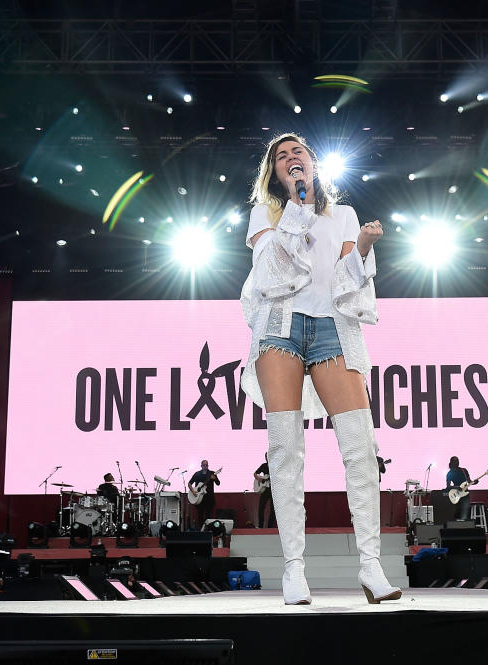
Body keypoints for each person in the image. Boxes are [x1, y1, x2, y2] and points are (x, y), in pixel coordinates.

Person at [240, 133, 400, 605]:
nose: (292, 160)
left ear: (314, 164)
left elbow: (346, 279)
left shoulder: (344, 215)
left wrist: (364, 250)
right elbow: (272, 272)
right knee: (285, 450)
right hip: (279, 328)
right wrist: (297, 205)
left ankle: (370, 566)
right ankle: (294, 570)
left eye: (299, 154)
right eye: (282, 157)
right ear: (274, 173)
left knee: (360, 448)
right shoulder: (263, 215)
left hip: (332, 326)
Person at [188, 460, 220, 529]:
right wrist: (193, 491)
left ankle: (208, 530)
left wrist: (215, 479)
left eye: (206, 465)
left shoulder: (212, 473)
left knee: (209, 516)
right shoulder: (197, 474)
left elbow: (218, 483)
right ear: (201, 466)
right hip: (199, 499)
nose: (205, 466)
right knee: (200, 516)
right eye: (204, 465)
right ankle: (201, 531)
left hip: (209, 498)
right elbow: (189, 483)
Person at [445, 456, 477, 521]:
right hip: (456, 494)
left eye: (458, 460)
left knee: (464, 515)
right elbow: (448, 486)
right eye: (455, 461)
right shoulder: (449, 473)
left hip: (465, 494)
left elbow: (469, 481)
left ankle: (464, 527)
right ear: (451, 462)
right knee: (456, 513)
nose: (457, 462)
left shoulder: (464, 470)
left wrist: (475, 482)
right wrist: (457, 487)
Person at [253, 453, 275, 528]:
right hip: (265, 489)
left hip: (273, 490)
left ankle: (270, 527)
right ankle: (260, 525)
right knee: (261, 507)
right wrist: (259, 478)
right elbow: (255, 473)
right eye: (266, 457)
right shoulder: (264, 465)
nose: (267, 458)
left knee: (273, 509)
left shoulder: (276, 465)